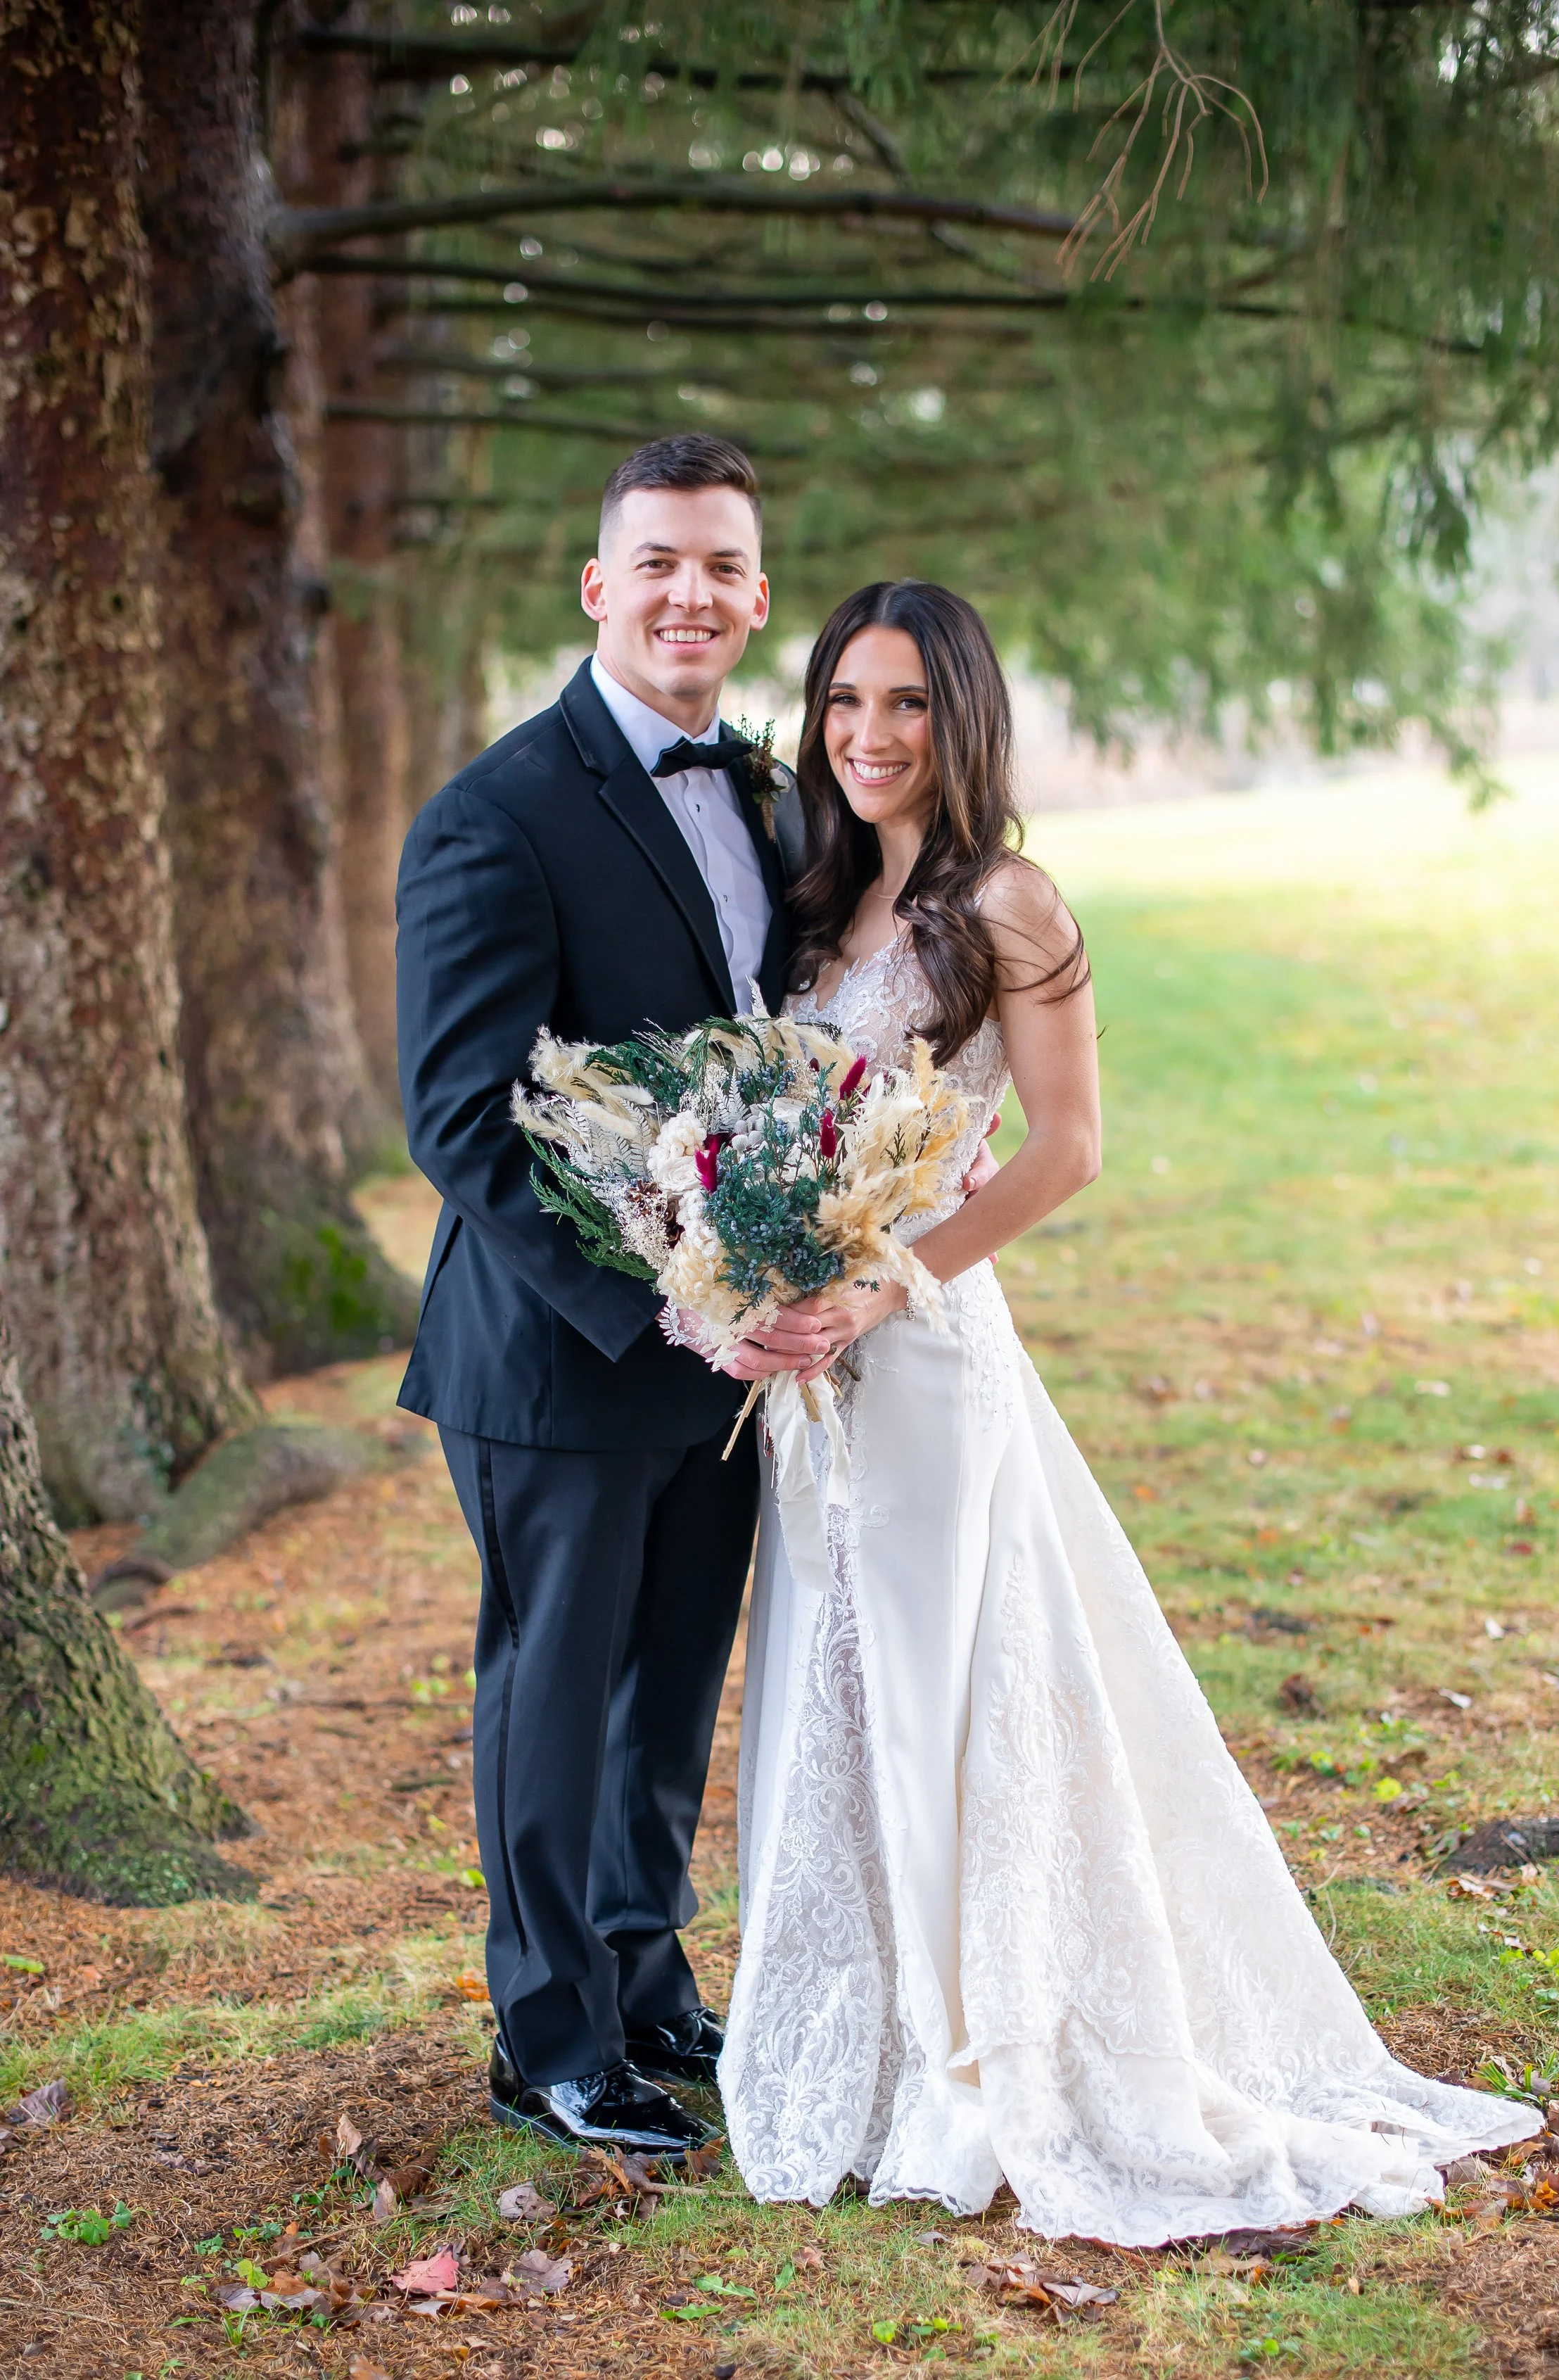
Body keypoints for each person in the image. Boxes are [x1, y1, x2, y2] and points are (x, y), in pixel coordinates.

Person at [718, 580, 1539, 2242]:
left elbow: (1062, 1149)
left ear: (963, 719)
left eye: (907, 708)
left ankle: (974, 2047)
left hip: (928, 1350)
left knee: (947, 1672)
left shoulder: (1009, 902)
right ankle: (860, 2022)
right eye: (843, 704)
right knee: (834, 1669)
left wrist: (883, 1283)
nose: (867, 738)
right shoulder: (812, 908)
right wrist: (753, 1275)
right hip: (815, 1367)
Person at [395, 434, 829, 2157]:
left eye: (721, 565)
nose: (690, 594)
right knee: (554, 1694)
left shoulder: (781, 799)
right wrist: (661, 1301)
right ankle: (549, 2034)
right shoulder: (495, 813)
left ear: (755, 596)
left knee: (669, 1687)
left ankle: (646, 1980)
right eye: (657, 560)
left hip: (726, 1368)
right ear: (597, 585)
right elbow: (460, 1118)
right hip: (560, 1356)